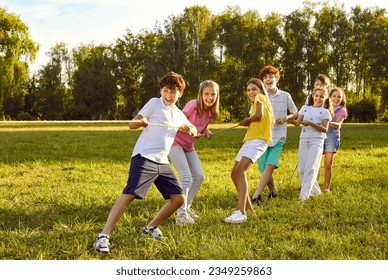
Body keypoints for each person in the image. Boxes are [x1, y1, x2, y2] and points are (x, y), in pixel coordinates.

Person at [93, 71, 197, 254]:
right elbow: (132, 124)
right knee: (130, 194)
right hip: (144, 157)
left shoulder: (178, 114)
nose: (168, 95)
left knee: (179, 199)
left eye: (173, 92)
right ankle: (103, 236)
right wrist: (141, 121)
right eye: (165, 90)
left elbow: (194, 130)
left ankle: (150, 228)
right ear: (161, 91)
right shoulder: (154, 103)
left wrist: (189, 128)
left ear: (180, 93)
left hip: (162, 162)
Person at [169, 80, 220, 225]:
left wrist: (206, 131)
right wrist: (188, 128)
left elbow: (202, 126)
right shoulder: (193, 105)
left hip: (188, 145)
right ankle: (181, 215)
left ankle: (187, 207)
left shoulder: (210, 112)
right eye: (207, 94)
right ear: (201, 94)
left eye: (213, 94)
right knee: (186, 177)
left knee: (199, 176)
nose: (210, 97)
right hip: (175, 143)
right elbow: (177, 120)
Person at [224, 78, 274, 223]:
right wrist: (249, 121)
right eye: (249, 90)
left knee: (240, 171)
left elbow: (259, 117)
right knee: (234, 173)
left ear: (261, 89)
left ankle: (241, 212)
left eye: (254, 89)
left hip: (258, 141)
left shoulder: (260, 98)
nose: (251, 92)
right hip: (250, 140)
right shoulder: (257, 103)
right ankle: (248, 208)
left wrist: (248, 120)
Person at [251, 66, 298, 204]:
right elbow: (254, 115)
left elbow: (295, 112)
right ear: (262, 81)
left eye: (271, 77)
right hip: (262, 136)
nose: (268, 79)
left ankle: (256, 195)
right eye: (265, 78)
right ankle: (273, 192)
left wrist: (286, 118)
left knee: (270, 164)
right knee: (264, 167)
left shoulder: (285, 95)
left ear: (276, 78)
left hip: (278, 136)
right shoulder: (260, 97)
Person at [295, 88, 332, 201]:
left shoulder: (325, 112)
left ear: (325, 99)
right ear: (312, 96)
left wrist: (310, 123)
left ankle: (303, 196)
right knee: (301, 169)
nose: (318, 98)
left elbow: (324, 129)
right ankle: (315, 192)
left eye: (321, 96)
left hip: (317, 140)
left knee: (311, 168)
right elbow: (298, 122)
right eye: (316, 95)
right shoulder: (305, 108)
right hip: (304, 139)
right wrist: (291, 121)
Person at [322, 87, 348, 192]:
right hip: (320, 136)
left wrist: (325, 122)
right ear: (329, 97)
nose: (336, 99)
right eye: (334, 96)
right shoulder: (324, 108)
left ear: (342, 99)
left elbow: (337, 125)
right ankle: (313, 186)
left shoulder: (341, 110)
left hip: (332, 137)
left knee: (328, 164)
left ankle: (326, 188)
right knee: (315, 163)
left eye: (339, 97)